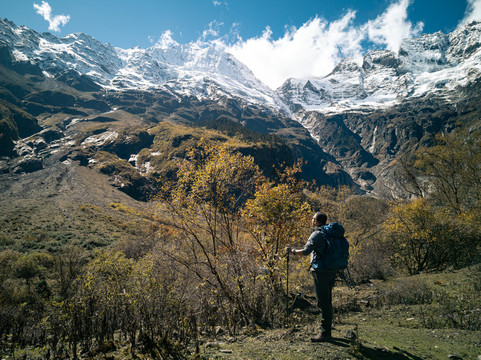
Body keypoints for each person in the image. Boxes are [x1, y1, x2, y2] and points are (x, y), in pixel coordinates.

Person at [285, 212, 339, 343]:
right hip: (332, 270)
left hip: (321, 271)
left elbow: (305, 251)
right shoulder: (330, 233)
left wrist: (291, 251)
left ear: (316, 221)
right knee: (327, 300)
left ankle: (325, 333)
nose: (311, 220)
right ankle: (327, 329)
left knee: (322, 301)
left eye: (313, 218)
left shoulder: (317, 234)